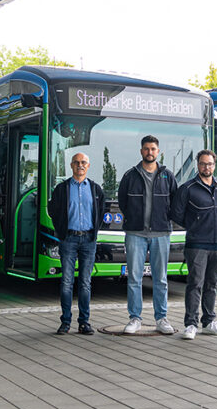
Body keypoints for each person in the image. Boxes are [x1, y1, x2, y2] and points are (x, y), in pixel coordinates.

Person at [118, 135, 178, 335]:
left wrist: (165, 221)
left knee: (160, 278)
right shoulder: (130, 175)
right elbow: (123, 202)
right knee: (134, 278)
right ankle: (135, 318)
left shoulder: (167, 176)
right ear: (141, 151)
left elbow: (175, 203)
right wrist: (133, 220)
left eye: (153, 149)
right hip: (135, 233)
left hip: (161, 233)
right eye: (146, 149)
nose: (149, 152)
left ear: (158, 152)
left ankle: (161, 318)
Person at [170, 149, 217, 340]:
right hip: (197, 244)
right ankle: (190, 324)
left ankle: (209, 322)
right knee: (195, 284)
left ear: (215, 165)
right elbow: (176, 214)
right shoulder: (187, 188)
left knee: (212, 284)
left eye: (210, 164)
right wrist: (195, 226)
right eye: (203, 164)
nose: (207, 167)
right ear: (198, 165)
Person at [47, 152, 105, 335]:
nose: (80, 165)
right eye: (77, 163)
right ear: (71, 166)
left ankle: (84, 322)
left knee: (86, 282)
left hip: (88, 240)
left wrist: (94, 232)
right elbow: (53, 211)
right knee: (66, 281)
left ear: (88, 166)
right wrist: (62, 231)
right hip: (69, 239)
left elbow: (100, 212)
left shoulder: (96, 189)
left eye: (83, 163)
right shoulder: (61, 189)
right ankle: (65, 322)